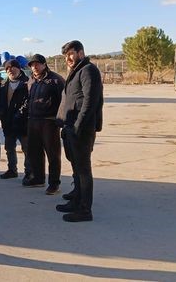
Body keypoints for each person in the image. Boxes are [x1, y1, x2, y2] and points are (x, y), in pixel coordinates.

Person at [56, 40, 104, 222]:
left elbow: (90, 102)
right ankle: (76, 200)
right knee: (76, 167)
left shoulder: (88, 70)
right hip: (70, 127)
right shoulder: (76, 71)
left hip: (81, 129)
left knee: (83, 170)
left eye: (71, 53)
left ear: (80, 52)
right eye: (65, 55)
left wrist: (78, 126)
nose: (68, 58)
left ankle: (85, 210)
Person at [22, 54, 65, 194]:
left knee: (53, 155)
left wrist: (60, 120)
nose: (34, 67)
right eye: (32, 65)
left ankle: (54, 184)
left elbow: (64, 102)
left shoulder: (56, 80)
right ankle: (38, 179)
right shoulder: (31, 81)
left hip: (49, 122)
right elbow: (29, 100)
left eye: (37, 64)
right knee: (34, 152)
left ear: (44, 64)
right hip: (33, 121)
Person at [0, 59, 30, 180]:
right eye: (8, 68)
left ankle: (29, 172)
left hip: (23, 122)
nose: (11, 70)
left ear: (19, 68)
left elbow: (29, 101)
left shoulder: (27, 83)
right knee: (9, 148)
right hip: (8, 122)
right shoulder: (3, 84)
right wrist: (0, 113)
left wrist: (20, 113)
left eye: (13, 67)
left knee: (27, 149)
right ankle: (12, 170)